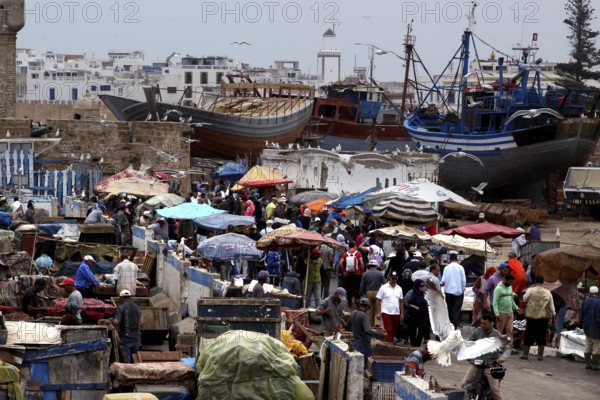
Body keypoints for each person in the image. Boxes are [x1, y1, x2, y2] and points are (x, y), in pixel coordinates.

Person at [460, 313, 512, 400]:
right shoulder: (477, 331)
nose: (482, 325)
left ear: (491, 323)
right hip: (477, 365)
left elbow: (508, 349)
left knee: (495, 391)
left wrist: (502, 358)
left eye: (485, 323)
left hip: (490, 366)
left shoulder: (497, 335)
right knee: (463, 384)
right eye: (481, 323)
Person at [521, 274, 555, 360]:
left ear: (535, 281)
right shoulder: (548, 292)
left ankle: (525, 354)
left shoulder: (530, 290)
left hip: (531, 316)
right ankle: (540, 356)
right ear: (543, 282)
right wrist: (554, 316)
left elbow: (524, 299)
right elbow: (551, 306)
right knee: (541, 335)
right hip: (542, 317)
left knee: (528, 335)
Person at [345, 298, 386, 368]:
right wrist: (382, 335)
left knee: (358, 366)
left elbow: (347, 327)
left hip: (355, 344)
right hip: (364, 345)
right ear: (367, 306)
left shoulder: (353, 313)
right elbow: (368, 330)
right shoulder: (364, 316)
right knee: (367, 368)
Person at [113, 289, 141, 363]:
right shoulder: (137, 307)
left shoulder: (121, 307)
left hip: (126, 337)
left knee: (127, 361)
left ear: (122, 297)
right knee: (135, 359)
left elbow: (116, 322)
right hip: (136, 336)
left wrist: (111, 321)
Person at [375, 271, 404, 342]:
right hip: (386, 312)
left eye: (395, 279)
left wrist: (402, 313)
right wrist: (378, 312)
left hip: (396, 313)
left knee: (393, 331)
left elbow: (401, 301)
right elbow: (378, 300)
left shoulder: (399, 288)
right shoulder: (383, 288)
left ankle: (388, 342)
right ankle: (389, 344)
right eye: (392, 278)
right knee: (389, 329)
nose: (394, 280)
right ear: (389, 278)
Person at [493, 274, 522, 345]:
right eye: (510, 282)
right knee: (500, 331)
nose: (511, 284)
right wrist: (497, 314)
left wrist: (517, 308)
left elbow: (511, 300)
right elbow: (495, 302)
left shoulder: (510, 287)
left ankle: (509, 345)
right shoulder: (498, 289)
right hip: (501, 313)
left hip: (510, 312)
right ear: (505, 280)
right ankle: (497, 346)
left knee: (509, 330)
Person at [441, 253, 466, 329]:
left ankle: (449, 326)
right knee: (456, 310)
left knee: (449, 309)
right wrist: (462, 290)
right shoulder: (460, 268)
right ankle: (454, 327)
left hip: (448, 292)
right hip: (458, 292)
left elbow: (443, 281)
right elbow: (463, 281)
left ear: (450, 259)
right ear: (457, 259)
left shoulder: (446, 268)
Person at [359, 259, 386, 326]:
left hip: (368, 293)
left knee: (369, 309)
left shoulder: (365, 274)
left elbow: (362, 285)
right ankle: (376, 325)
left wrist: (361, 293)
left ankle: (369, 325)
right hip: (378, 293)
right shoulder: (380, 273)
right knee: (377, 309)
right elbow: (385, 283)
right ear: (376, 266)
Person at [404, 279, 430, 346]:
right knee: (412, 330)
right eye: (421, 286)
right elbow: (404, 302)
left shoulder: (424, 293)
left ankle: (418, 343)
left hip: (422, 314)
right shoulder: (411, 292)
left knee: (423, 329)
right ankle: (413, 344)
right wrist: (412, 306)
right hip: (413, 314)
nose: (422, 287)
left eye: (423, 286)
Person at [580, 286, 600, 370]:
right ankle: (595, 365)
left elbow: (581, 315)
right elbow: (599, 317)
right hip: (596, 328)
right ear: (597, 292)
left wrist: (583, 325)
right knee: (596, 347)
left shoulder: (585, 301)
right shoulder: (598, 302)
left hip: (587, 327)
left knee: (587, 346)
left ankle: (588, 364)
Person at [341, 241, 364, 307]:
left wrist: (344, 272)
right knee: (357, 287)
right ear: (354, 246)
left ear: (349, 246)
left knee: (349, 287)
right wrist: (362, 272)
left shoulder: (345, 254)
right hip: (357, 273)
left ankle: (349, 302)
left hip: (348, 274)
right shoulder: (358, 253)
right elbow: (361, 263)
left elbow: (340, 263)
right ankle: (357, 300)